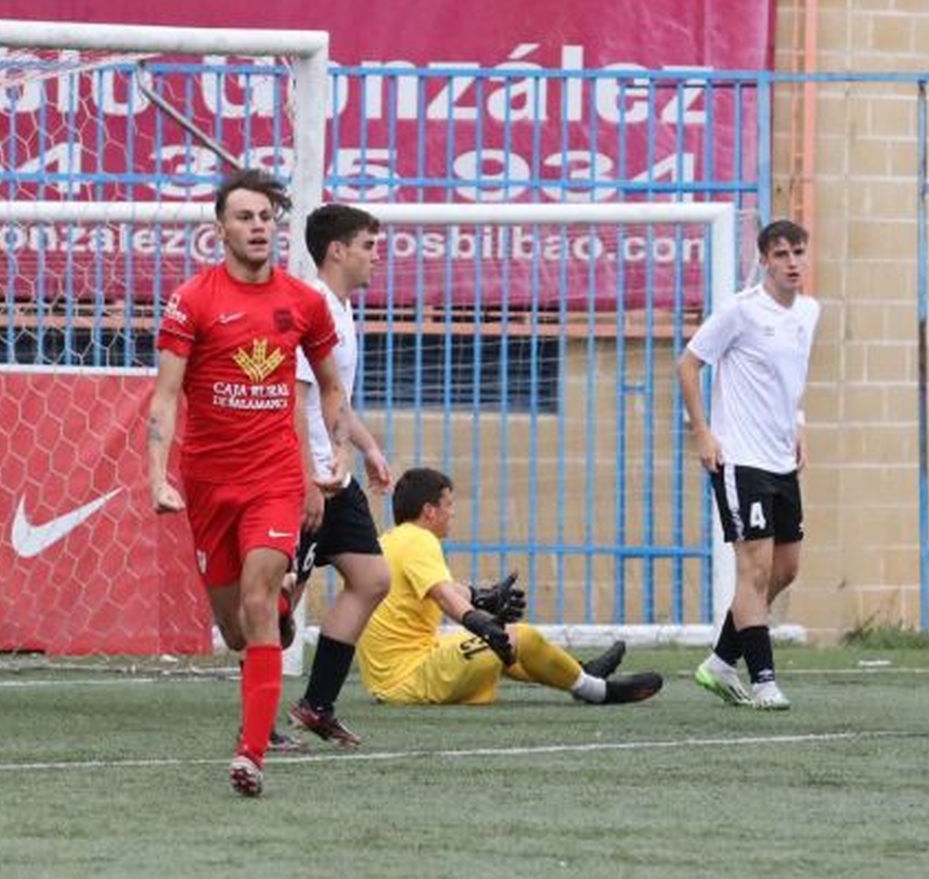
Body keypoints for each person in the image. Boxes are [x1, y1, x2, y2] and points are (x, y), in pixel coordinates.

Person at [148, 168, 349, 798]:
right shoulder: (193, 300)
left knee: (257, 602)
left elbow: (332, 385)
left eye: (265, 217)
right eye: (244, 217)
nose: (258, 227)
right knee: (236, 630)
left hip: (273, 478)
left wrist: (336, 451)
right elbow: (165, 396)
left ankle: (251, 755)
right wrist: (156, 475)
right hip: (209, 483)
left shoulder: (304, 301)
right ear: (221, 229)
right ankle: (283, 609)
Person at [357, 467, 663, 707]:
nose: (453, 512)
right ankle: (597, 690)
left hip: (399, 673)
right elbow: (444, 596)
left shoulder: (393, 540)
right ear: (429, 511)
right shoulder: (420, 540)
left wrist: (482, 597)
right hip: (410, 679)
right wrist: (482, 623)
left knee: (506, 641)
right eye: (449, 504)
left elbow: (444, 588)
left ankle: (579, 671)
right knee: (517, 636)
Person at [678, 219, 820, 711]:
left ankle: (720, 660)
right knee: (753, 572)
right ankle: (763, 680)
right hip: (740, 459)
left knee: (787, 568)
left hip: (782, 460)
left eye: (798, 252)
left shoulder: (809, 313)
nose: (792, 262)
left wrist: (798, 423)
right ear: (764, 261)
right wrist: (703, 432)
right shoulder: (740, 312)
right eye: (781, 254)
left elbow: (790, 379)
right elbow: (688, 363)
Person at [283, 203, 393, 748]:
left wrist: (369, 449)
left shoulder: (341, 310)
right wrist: (306, 481)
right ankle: (252, 725)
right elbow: (293, 402)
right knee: (275, 613)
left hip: (337, 474)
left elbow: (336, 399)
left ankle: (316, 705)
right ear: (337, 250)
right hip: (307, 478)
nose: (377, 257)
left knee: (373, 579)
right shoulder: (310, 308)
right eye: (369, 246)